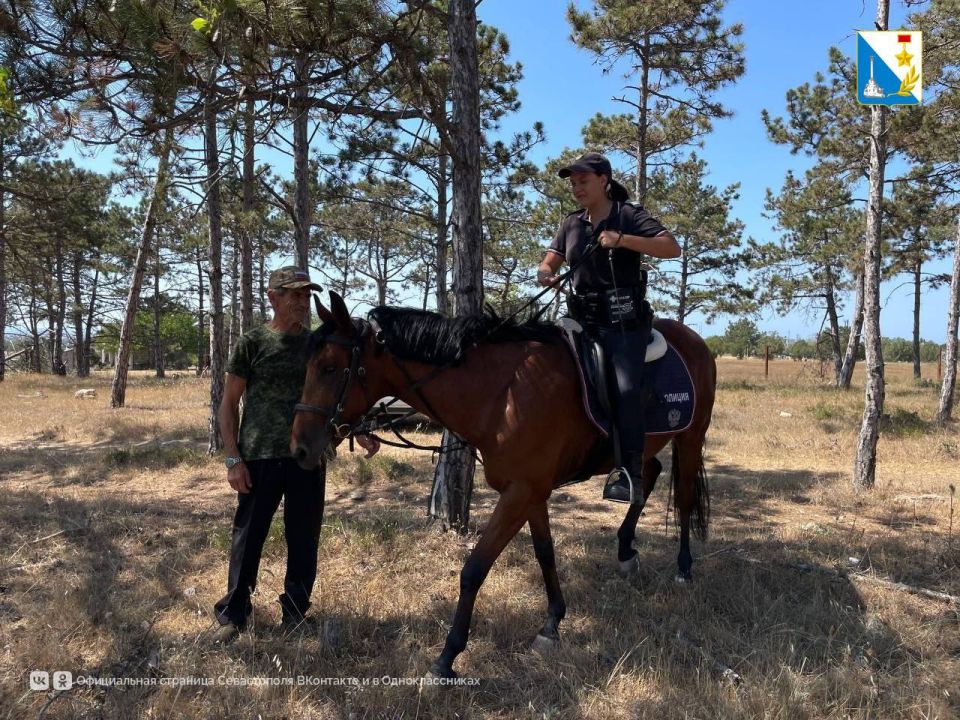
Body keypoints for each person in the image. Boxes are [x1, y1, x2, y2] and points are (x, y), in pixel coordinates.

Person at [212, 266, 377, 644]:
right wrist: (233, 458)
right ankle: (234, 615)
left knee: (304, 538)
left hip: (308, 456)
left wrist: (360, 428)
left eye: (306, 295)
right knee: (248, 537)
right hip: (259, 457)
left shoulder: (315, 344)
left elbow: (336, 391)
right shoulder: (253, 343)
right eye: (294, 295)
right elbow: (228, 404)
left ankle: (295, 615)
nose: (302, 303)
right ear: (273, 297)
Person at [537, 152, 681, 503]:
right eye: (573, 183)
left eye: (583, 181)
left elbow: (671, 248)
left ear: (604, 180)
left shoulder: (629, 215)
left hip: (623, 323)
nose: (576, 188)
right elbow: (549, 259)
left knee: (626, 387)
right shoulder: (570, 223)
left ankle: (629, 471)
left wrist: (622, 240)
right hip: (579, 320)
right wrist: (545, 273)